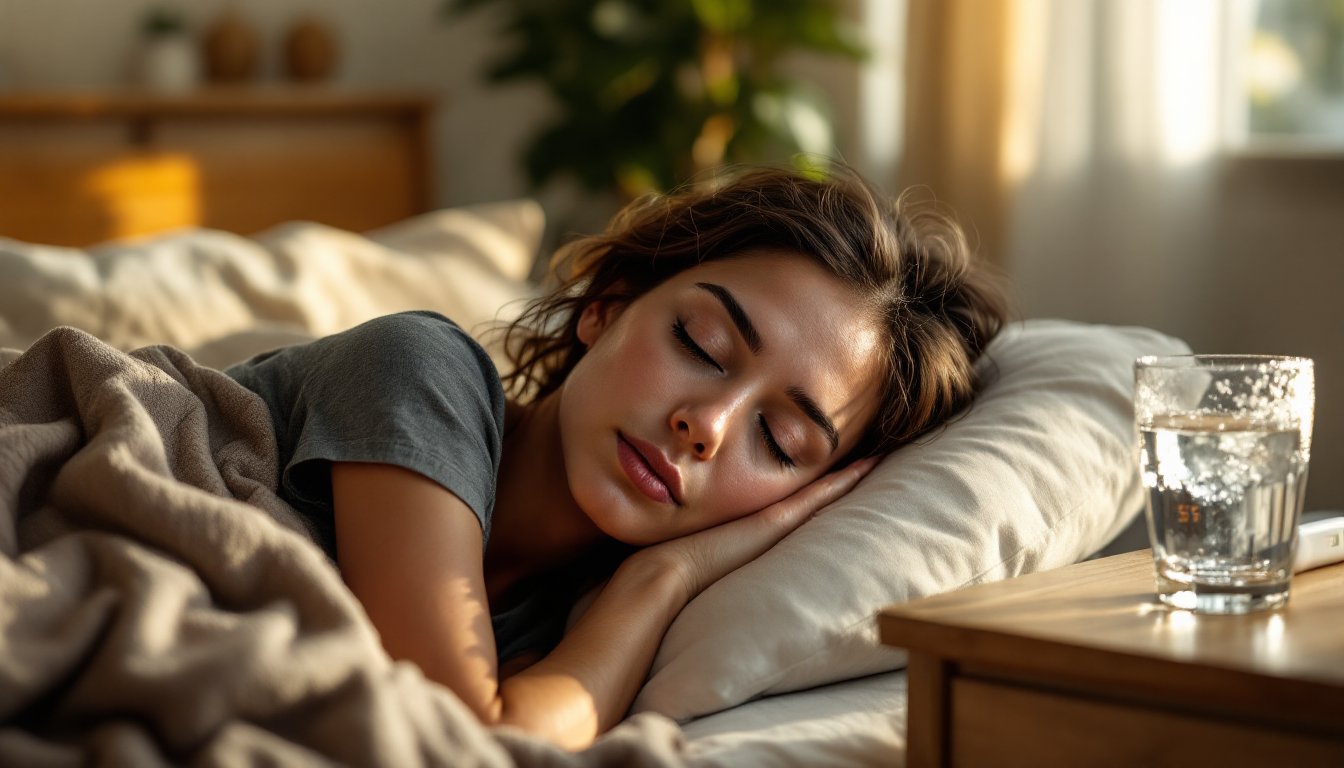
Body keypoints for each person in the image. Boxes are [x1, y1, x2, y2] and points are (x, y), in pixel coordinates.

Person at [224, 165, 1010, 749]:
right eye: (701, 343)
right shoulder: (418, 368)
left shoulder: (562, 622)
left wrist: (661, 578)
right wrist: (659, 580)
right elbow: (461, 735)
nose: (705, 424)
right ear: (607, 307)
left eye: (780, 441)